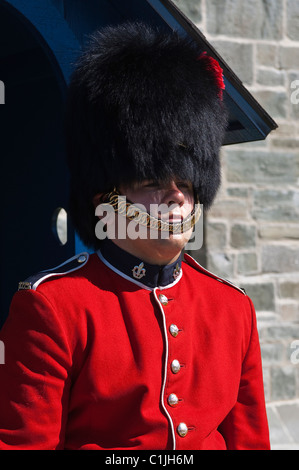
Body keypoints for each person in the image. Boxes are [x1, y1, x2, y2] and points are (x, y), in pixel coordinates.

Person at [0, 21, 270, 450]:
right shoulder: (52, 307)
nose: (177, 197)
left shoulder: (233, 308)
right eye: (153, 182)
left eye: (186, 182)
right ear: (107, 195)